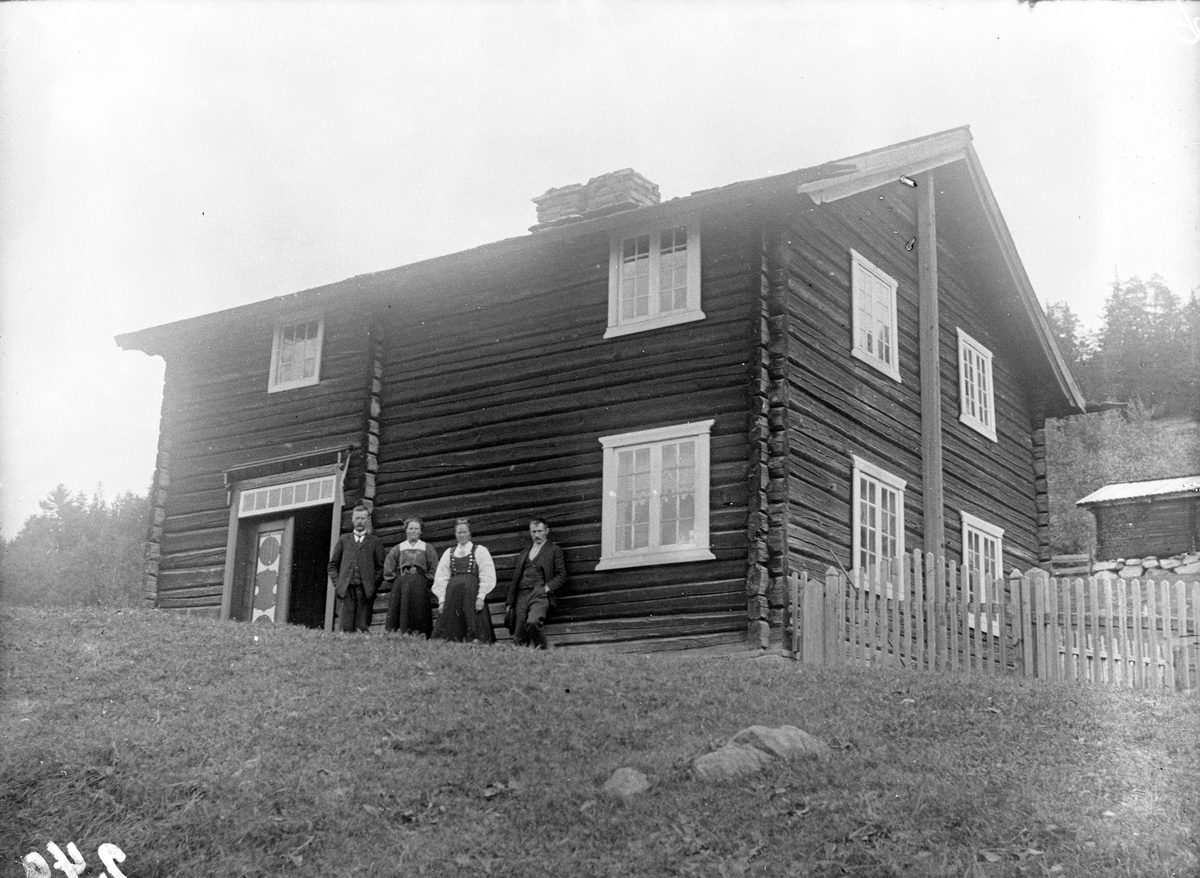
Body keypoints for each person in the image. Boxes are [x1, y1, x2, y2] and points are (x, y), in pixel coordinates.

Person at [430, 519, 496, 643]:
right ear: (455, 535)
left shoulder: (480, 550)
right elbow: (441, 576)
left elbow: (487, 574)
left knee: (474, 621)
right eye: (459, 532)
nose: (462, 535)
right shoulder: (448, 552)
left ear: (470, 534)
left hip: (472, 593)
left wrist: (481, 597)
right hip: (453, 594)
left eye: (465, 532)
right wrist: (442, 600)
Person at [504, 518, 567, 649]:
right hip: (521, 594)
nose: (536, 535)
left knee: (533, 622)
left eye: (539, 531)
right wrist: (510, 602)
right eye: (533, 532)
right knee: (519, 634)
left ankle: (543, 650)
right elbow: (516, 577)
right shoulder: (525, 552)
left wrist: (545, 589)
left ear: (546, 531)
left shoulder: (554, 550)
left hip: (539, 594)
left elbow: (561, 575)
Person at [327, 505, 386, 633]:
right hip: (345, 591)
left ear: (367, 520)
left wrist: (372, 585)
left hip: (365, 591)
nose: (360, 521)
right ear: (352, 519)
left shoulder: (375, 542)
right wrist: (338, 584)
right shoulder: (344, 540)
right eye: (357, 518)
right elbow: (332, 566)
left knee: (362, 627)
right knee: (345, 627)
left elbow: (381, 568)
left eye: (363, 518)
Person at [382, 516, 440, 637]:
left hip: (419, 582)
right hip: (401, 583)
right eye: (411, 528)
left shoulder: (427, 548)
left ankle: (420, 634)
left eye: (416, 528)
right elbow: (389, 567)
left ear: (420, 531)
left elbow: (434, 568)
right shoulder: (398, 548)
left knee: (418, 609)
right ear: (406, 530)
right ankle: (399, 634)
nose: (413, 531)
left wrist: (424, 579)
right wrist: (398, 580)